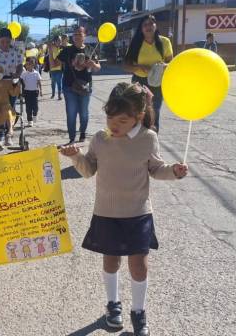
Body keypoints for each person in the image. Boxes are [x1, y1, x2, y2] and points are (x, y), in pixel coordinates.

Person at [59, 82, 188, 336]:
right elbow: (88, 170)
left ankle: (138, 312)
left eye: (122, 120)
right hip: (106, 213)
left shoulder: (148, 138)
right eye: (109, 118)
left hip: (138, 212)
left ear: (138, 117)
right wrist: (75, 156)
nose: (113, 125)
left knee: (139, 264)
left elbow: (155, 169)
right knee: (111, 261)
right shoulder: (100, 139)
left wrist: (173, 172)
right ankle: (112, 304)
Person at [123, 15, 173, 132]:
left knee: (154, 113)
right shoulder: (135, 43)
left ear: (156, 25)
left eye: (151, 23)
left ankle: (152, 143)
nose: (148, 26)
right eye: (145, 24)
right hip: (139, 82)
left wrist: (160, 67)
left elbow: (171, 64)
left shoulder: (165, 42)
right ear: (141, 28)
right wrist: (139, 66)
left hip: (157, 84)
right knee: (137, 113)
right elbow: (126, 66)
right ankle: (137, 143)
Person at [57, 27, 100, 144]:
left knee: (84, 113)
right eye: (75, 34)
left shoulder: (90, 49)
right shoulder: (67, 50)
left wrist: (93, 65)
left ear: (84, 36)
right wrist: (51, 51)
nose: (77, 36)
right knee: (71, 113)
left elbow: (97, 67)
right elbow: (55, 63)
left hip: (86, 86)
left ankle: (82, 133)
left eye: (79, 34)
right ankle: (71, 137)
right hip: (69, 86)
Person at [0, 28, 25, 146]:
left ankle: (8, 135)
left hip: (10, 83)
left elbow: (20, 66)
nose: (5, 44)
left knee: (9, 109)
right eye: (2, 41)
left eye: (7, 42)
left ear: (11, 41)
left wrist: (17, 74)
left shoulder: (15, 50)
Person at [20, 57, 42, 126]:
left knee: (35, 107)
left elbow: (39, 82)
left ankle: (35, 115)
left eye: (31, 64)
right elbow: (21, 81)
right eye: (27, 64)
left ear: (33, 65)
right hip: (27, 92)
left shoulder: (36, 73)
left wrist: (41, 90)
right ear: (26, 65)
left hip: (35, 91)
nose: (29, 66)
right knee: (28, 107)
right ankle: (30, 121)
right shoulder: (24, 73)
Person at [47, 36, 63, 100]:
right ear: (55, 41)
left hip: (59, 69)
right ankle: (53, 94)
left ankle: (59, 95)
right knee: (53, 83)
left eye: (60, 40)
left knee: (59, 83)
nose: (60, 42)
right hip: (52, 69)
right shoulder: (52, 47)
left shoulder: (61, 48)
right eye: (59, 40)